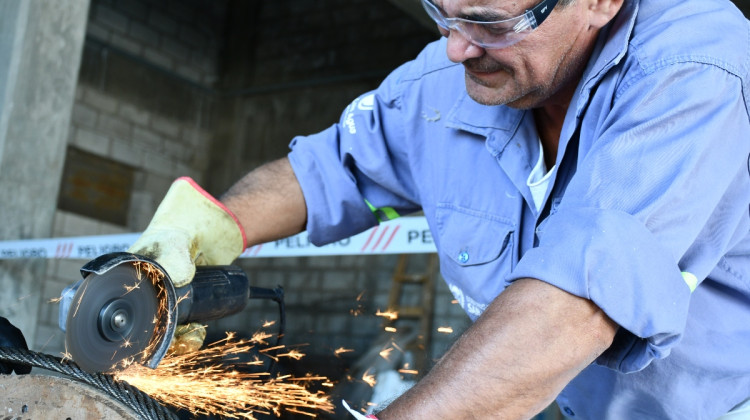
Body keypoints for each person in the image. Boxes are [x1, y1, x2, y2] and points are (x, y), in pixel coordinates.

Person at [127, 0, 750, 418]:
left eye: (490, 23)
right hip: (567, 401)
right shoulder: (449, 75)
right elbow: (329, 167)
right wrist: (210, 229)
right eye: (441, 13)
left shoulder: (691, 70)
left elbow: (575, 305)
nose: (457, 50)